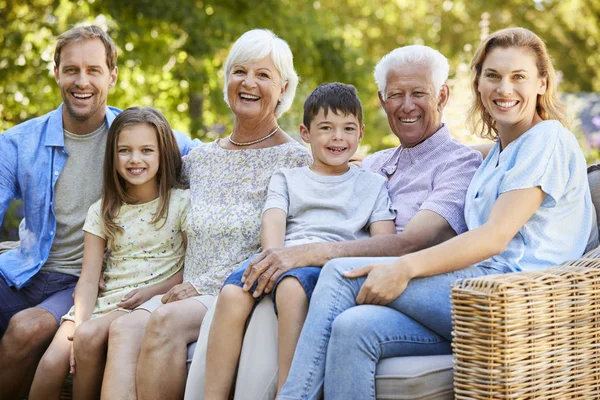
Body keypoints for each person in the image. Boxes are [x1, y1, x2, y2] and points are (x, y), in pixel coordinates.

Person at [276, 27, 599, 400]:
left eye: (518, 77)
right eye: (492, 76)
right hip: (473, 297)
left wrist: (405, 267)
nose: (504, 89)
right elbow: (463, 154)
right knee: (353, 328)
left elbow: (495, 236)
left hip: (514, 299)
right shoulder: (501, 152)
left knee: (338, 272)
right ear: (477, 83)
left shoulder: (548, 139)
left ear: (542, 83)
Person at [186, 44, 482, 400]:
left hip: (395, 280)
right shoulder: (374, 164)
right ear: (382, 100)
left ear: (443, 95)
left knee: (306, 289)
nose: (406, 105)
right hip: (325, 271)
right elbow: (327, 179)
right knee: (238, 294)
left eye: (419, 93)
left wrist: (306, 254)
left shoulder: (458, 163)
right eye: (395, 95)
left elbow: (407, 243)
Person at [95, 29, 311, 400]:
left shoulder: (297, 161)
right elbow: (146, 191)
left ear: (284, 87)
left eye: (263, 75)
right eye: (239, 71)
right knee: (123, 329)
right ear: (226, 79)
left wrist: (203, 284)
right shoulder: (199, 160)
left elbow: (289, 246)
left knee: (163, 321)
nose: (248, 83)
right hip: (183, 289)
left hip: (239, 291)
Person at [0, 25, 196, 399]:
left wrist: (322, 157)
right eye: (72, 69)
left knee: (27, 329)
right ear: (56, 73)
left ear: (112, 75)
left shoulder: (134, 135)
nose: (82, 81)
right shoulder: (17, 143)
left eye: (93, 70)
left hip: (80, 281)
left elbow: (215, 154)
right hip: (21, 270)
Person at [204, 82, 397, 399]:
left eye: (348, 128)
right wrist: (272, 256)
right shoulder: (288, 177)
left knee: (292, 289)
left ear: (361, 132)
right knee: (230, 294)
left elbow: (384, 243)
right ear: (305, 133)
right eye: (326, 128)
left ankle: (289, 392)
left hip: (325, 268)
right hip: (282, 257)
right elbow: (274, 219)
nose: (338, 137)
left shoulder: (373, 184)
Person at [28, 107, 189, 399]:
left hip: (145, 302)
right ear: (112, 156)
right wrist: (79, 322)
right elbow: (89, 280)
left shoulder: (181, 204)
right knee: (52, 362)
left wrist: (154, 291)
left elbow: (191, 267)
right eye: (124, 150)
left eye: (146, 150)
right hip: (104, 301)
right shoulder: (103, 210)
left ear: (162, 152)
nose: (135, 159)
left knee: (87, 339)